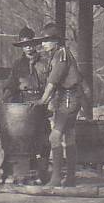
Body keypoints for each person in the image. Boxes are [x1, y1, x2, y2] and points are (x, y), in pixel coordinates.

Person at [33, 23, 83, 188]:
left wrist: (42, 101)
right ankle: (70, 177)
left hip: (68, 98)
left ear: (56, 41)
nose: (44, 44)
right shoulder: (57, 55)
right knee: (69, 136)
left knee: (55, 136)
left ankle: (55, 178)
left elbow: (52, 82)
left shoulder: (61, 56)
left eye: (47, 41)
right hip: (66, 97)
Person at [2, 27, 50, 183]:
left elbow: (53, 84)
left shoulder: (45, 62)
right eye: (25, 44)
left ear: (35, 44)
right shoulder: (17, 65)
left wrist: (47, 102)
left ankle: (42, 173)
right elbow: (11, 85)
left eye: (31, 44)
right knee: (24, 139)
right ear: (21, 46)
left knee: (44, 139)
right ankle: (25, 173)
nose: (28, 47)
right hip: (23, 107)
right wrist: (3, 101)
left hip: (42, 104)